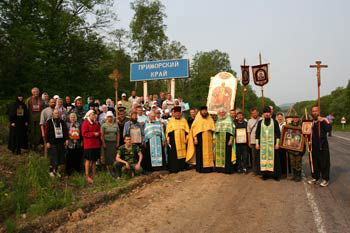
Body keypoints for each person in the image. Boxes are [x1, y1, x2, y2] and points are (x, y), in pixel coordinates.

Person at [186, 106, 215, 173]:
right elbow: (194, 130)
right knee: (200, 153)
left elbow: (213, 129)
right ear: (200, 111)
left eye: (205, 110)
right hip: (200, 139)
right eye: (203, 111)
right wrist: (195, 139)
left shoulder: (210, 119)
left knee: (209, 153)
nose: (204, 112)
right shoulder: (197, 119)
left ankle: (209, 168)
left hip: (209, 138)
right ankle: (200, 168)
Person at [255, 106, 281, 181]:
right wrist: (257, 144)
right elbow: (257, 134)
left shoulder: (274, 122)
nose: (267, 114)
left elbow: (278, 133)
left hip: (272, 145)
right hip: (263, 145)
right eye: (265, 112)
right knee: (263, 159)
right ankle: (265, 175)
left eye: (268, 112)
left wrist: (277, 143)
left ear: (270, 113)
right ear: (263, 114)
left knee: (275, 160)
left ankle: (275, 175)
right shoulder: (260, 122)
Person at [308, 106, 331, 187]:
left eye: (316, 111)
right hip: (313, 146)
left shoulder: (324, 120)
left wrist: (323, 121)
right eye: (313, 111)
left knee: (324, 162)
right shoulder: (310, 121)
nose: (314, 112)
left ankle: (325, 179)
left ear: (319, 112)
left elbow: (329, 129)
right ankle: (315, 177)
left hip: (322, 144)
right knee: (314, 162)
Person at [166, 106, 189, 173]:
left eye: (179, 113)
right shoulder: (171, 121)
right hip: (174, 141)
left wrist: (187, 138)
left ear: (180, 113)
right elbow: (168, 132)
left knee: (184, 153)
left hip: (183, 140)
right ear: (174, 113)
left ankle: (183, 167)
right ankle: (175, 168)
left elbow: (187, 130)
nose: (178, 114)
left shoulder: (184, 120)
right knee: (174, 155)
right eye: (176, 113)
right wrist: (168, 139)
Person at [46, 109, 68, 177]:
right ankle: (51, 171)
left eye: (58, 113)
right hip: (52, 142)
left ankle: (56, 171)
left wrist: (66, 139)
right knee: (53, 157)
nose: (57, 114)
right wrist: (47, 142)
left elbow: (65, 131)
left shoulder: (62, 122)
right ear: (53, 114)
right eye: (55, 113)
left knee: (59, 157)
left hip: (60, 142)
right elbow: (47, 132)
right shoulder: (49, 122)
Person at [213, 108, 236, 174]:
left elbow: (232, 130)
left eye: (223, 112)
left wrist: (231, 140)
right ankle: (219, 169)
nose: (221, 113)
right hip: (218, 140)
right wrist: (214, 139)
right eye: (220, 112)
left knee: (227, 154)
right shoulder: (218, 120)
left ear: (225, 113)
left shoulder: (229, 119)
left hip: (227, 139)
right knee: (218, 155)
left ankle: (227, 169)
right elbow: (214, 131)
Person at [82, 110, 101, 183]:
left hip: (95, 144)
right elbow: (84, 134)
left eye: (94, 115)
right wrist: (93, 134)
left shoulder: (96, 123)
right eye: (92, 115)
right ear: (89, 115)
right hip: (88, 145)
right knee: (88, 160)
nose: (94, 116)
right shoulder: (85, 123)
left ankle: (94, 173)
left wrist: (98, 134)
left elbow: (99, 132)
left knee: (94, 160)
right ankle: (87, 174)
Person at [101, 111, 120, 177]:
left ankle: (114, 170)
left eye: (111, 117)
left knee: (114, 156)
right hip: (107, 142)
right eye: (108, 117)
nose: (110, 118)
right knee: (107, 157)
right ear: (106, 118)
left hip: (114, 142)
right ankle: (108, 171)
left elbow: (118, 134)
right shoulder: (104, 125)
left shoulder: (115, 125)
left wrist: (117, 142)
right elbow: (102, 135)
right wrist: (103, 143)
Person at [286, 116, 304, 182]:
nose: (296, 119)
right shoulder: (289, 125)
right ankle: (294, 175)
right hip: (291, 147)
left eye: (297, 118)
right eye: (294, 118)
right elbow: (286, 134)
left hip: (299, 148)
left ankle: (298, 176)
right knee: (292, 162)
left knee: (298, 162)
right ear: (292, 119)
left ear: (299, 118)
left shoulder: (302, 125)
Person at [247, 108, 261, 175]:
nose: (254, 114)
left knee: (261, 156)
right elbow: (248, 132)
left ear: (257, 112)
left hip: (261, 141)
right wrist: (249, 141)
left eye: (255, 113)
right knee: (254, 156)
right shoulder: (249, 121)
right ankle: (255, 170)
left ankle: (261, 170)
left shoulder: (261, 120)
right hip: (253, 141)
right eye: (252, 113)